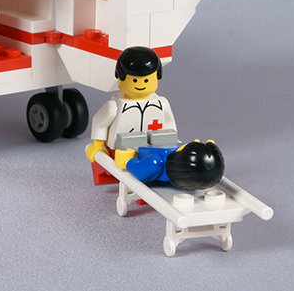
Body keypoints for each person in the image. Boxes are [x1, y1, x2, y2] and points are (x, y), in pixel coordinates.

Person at [85, 46, 224, 190]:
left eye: (146, 80)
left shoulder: (160, 103)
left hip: (157, 146)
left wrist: (173, 141)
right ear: (120, 77)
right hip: (123, 150)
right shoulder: (115, 106)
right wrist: (98, 145)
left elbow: (169, 123)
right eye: (135, 80)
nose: (140, 84)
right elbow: (100, 123)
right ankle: (136, 167)